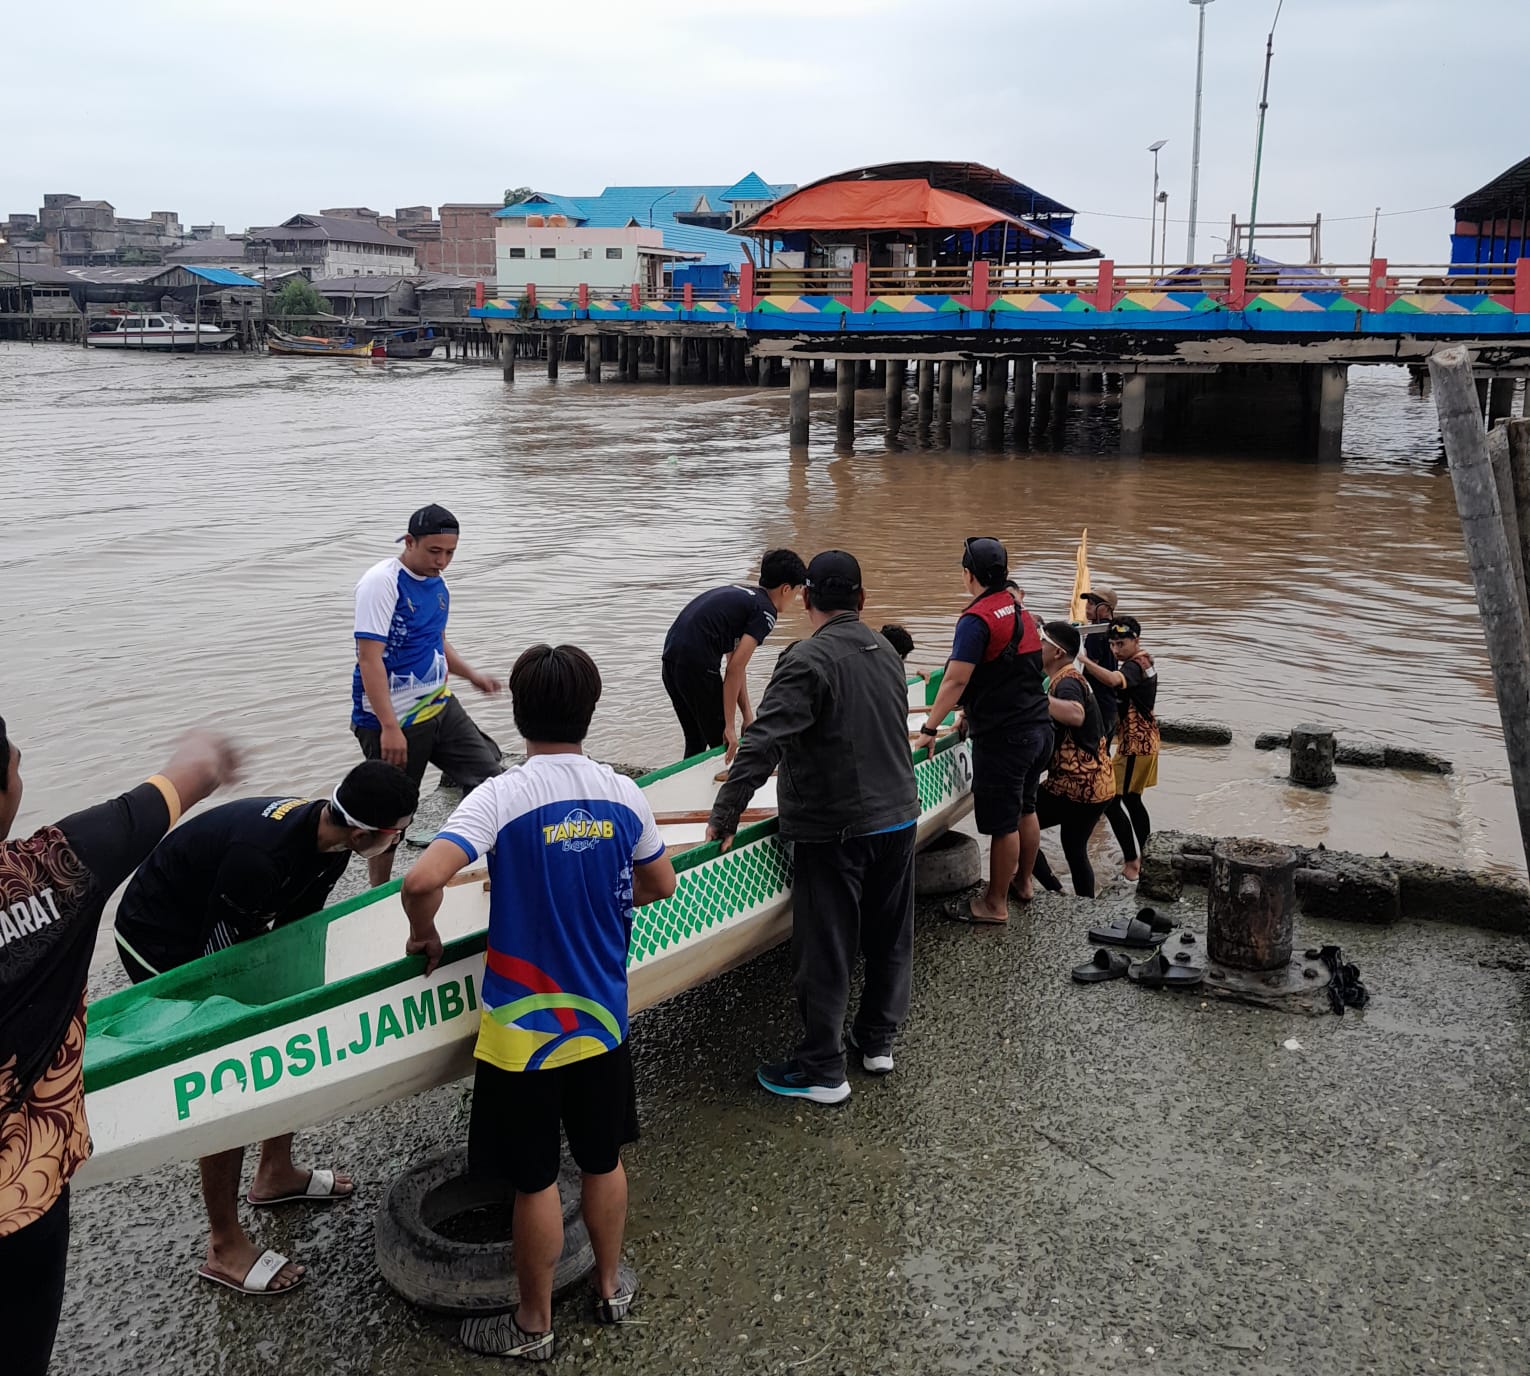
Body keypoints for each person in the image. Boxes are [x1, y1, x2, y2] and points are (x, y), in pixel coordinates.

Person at [401, 644, 676, 1361]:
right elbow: (660, 885)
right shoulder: (622, 792)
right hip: (601, 1018)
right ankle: (611, 1287)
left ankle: (531, 1325)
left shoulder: (501, 794)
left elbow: (421, 879)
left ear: (518, 714)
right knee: (601, 1159)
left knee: (532, 1181)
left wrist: (424, 936)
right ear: (590, 710)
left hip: (523, 1035)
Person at [113, 760, 420, 1297]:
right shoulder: (261, 859)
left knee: (288, 1011)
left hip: (217, 919)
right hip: (158, 932)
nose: (396, 844)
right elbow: (222, 971)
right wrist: (245, 1027)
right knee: (227, 1058)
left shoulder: (329, 846)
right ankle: (223, 1245)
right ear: (365, 833)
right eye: (398, 835)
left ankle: (274, 1172)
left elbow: (292, 944)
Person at [0, 720, 239, 1376]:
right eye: (15, 762)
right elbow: (182, 778)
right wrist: (212, 754)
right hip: (22, 1199)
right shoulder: (52, 869)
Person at [707, 551, 919, 1105]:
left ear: (805, 599)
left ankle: (823, 1068)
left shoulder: (806, 659)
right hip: (898, 816)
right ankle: (877, 1041)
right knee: (889, 935)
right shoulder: (887, 653)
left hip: (836, 827)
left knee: (826, 946)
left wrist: (726, 812)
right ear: (862, 600)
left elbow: (763, 741)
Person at [352, 502, 505, 888]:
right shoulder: (381, 582)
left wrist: (471, 675)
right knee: (392, 813)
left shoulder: (438, 584)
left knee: (491, 779)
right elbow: (369, 660)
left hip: (439, 705)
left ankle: (498, 867)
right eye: (434, 551)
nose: (442, 561)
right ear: (409, 541)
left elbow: (436, 641)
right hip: (393, 719)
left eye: (450, 553)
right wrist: (389, 727)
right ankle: (379, 893)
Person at [919, 537, 1051, 922]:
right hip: (1038, 728)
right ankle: (1023, 883)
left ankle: (993, 904)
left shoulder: (975, 620)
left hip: (1005, 738)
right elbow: (1015, 671)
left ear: (967, 574)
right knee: (1027, 808)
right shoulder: (1019, 610)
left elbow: (956, 680)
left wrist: (930, 727)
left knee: (1002, 822)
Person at [661, 549, 807, 761]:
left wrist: (747, 716)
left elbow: (735, 664)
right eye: (797, 591)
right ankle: (725, 789)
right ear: (786, 589)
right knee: (724, 742)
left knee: (696, 739)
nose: (795, 598)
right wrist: (729, 726)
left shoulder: (744, 596)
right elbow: (734, 669)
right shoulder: (766, 612)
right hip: (696, 664)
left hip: (671, 659)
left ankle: (688, 787)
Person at [1030, 622, 1116, 898]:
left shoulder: (1066, 681)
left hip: (1076, 786)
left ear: (1057, 652)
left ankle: (1055, 891)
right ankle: (1084, 905)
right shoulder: (1070, 677)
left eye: (1041, 643)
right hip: (1100, 785)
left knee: (1017, 825)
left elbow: (1076, 714)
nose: (1036, 647)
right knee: (1074, 847)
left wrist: (1032, 700)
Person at [1083, 615, 1159, 881]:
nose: (1116, 650)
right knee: (1132, 800)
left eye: (1121, 644)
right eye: (1112, 645)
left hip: (1137, 744)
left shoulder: (1135, 666)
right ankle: (1149, 856)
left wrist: (1083, 660)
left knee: (1110, 799)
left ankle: (1132, 861)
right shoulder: (1145, 660)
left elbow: (1115, 681)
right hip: (1140, 741)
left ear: (1135, 640)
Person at [1079, 586, 1120, 744]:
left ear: (1105, 608)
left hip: (1098, 701)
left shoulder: (1096, 632)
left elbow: (1090, 665)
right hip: (1110, 701)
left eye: (1092, 603)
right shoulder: (1112, 629)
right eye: (1087, 602)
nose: (1087, 607)